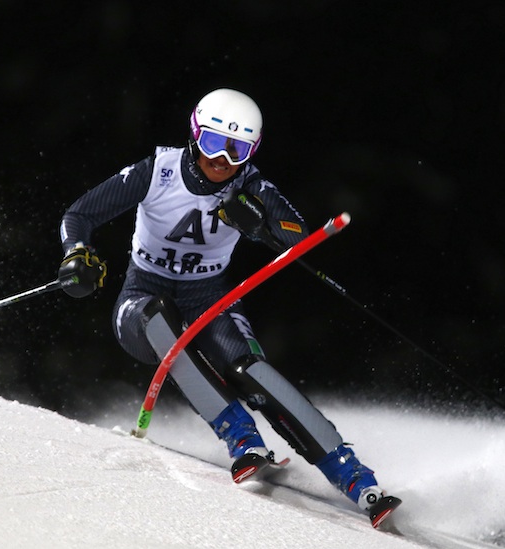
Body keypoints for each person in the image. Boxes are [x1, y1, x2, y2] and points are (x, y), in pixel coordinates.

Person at [56, 88, 400, 527]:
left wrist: (258, 223)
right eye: (212, 143)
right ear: (195, 135)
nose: (221, 159)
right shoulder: (156, 171)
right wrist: (77, 253)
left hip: (209, 295)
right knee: (160, 319)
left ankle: (357, 479)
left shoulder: (250, 185)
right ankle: (242, 438)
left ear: (250, 151)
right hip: (141, 296)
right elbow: (78, 215)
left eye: (236, 149)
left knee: (247, 369)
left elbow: (299, 238)